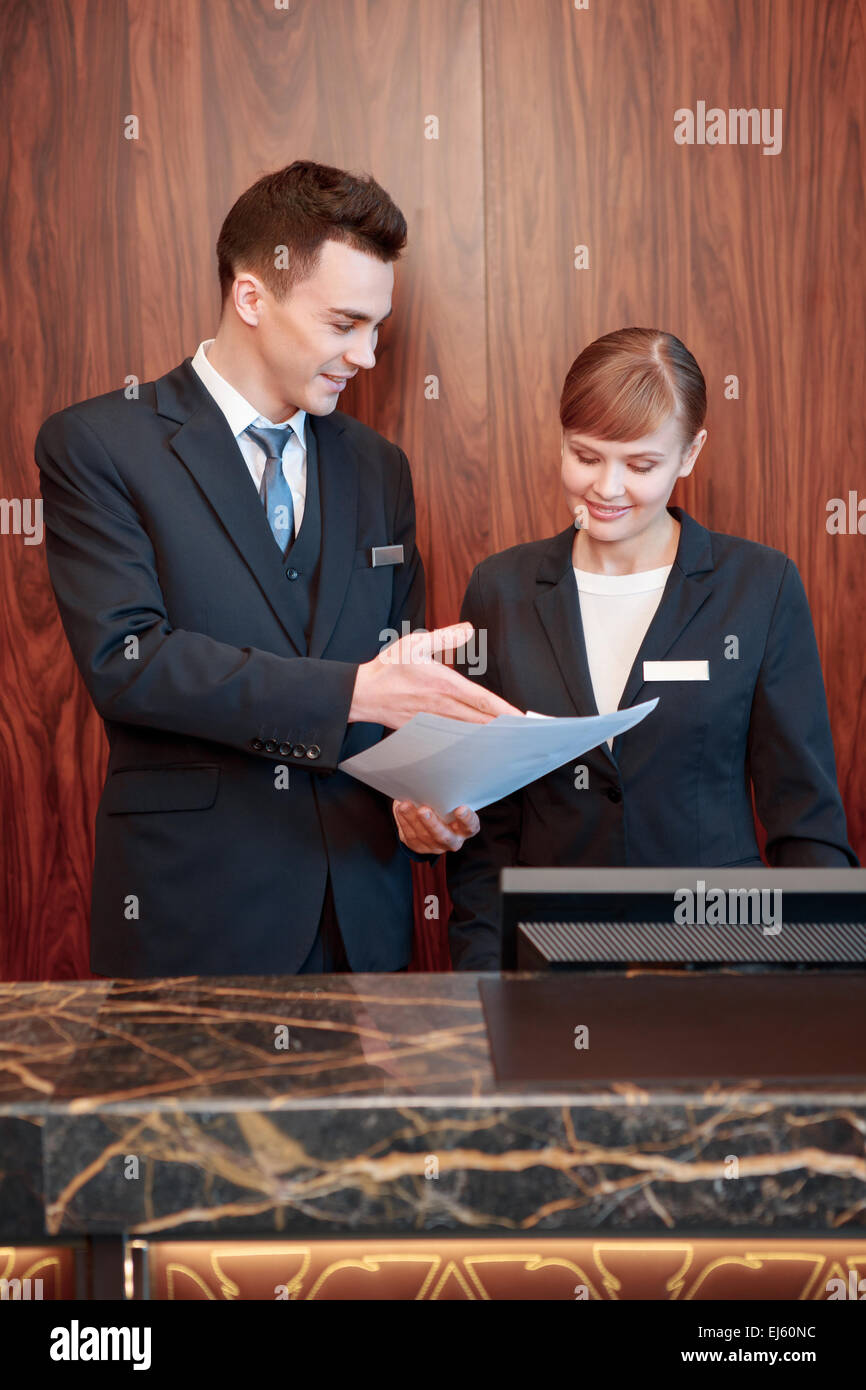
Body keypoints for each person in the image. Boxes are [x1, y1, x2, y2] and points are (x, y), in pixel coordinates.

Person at [36, 159, 517, 978]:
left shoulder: (380, 468)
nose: (365, 355)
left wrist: (418, 800)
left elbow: (398, 675)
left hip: (362, 919)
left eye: (378, 329)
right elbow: (130, 663)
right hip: (191, 913)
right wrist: (353, 691)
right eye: (343, 324)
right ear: (251, 297)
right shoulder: (98, 446)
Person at [394, 327, 859, 970]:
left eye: (641, 466)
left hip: (722, 971)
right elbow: (490, 835)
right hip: (547, 971)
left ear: (690, 453)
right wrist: (481, 984)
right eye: (586, 456)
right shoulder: (500, 588)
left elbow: (805, 819)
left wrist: (814, 996)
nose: (607, 489)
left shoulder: (761, 586)